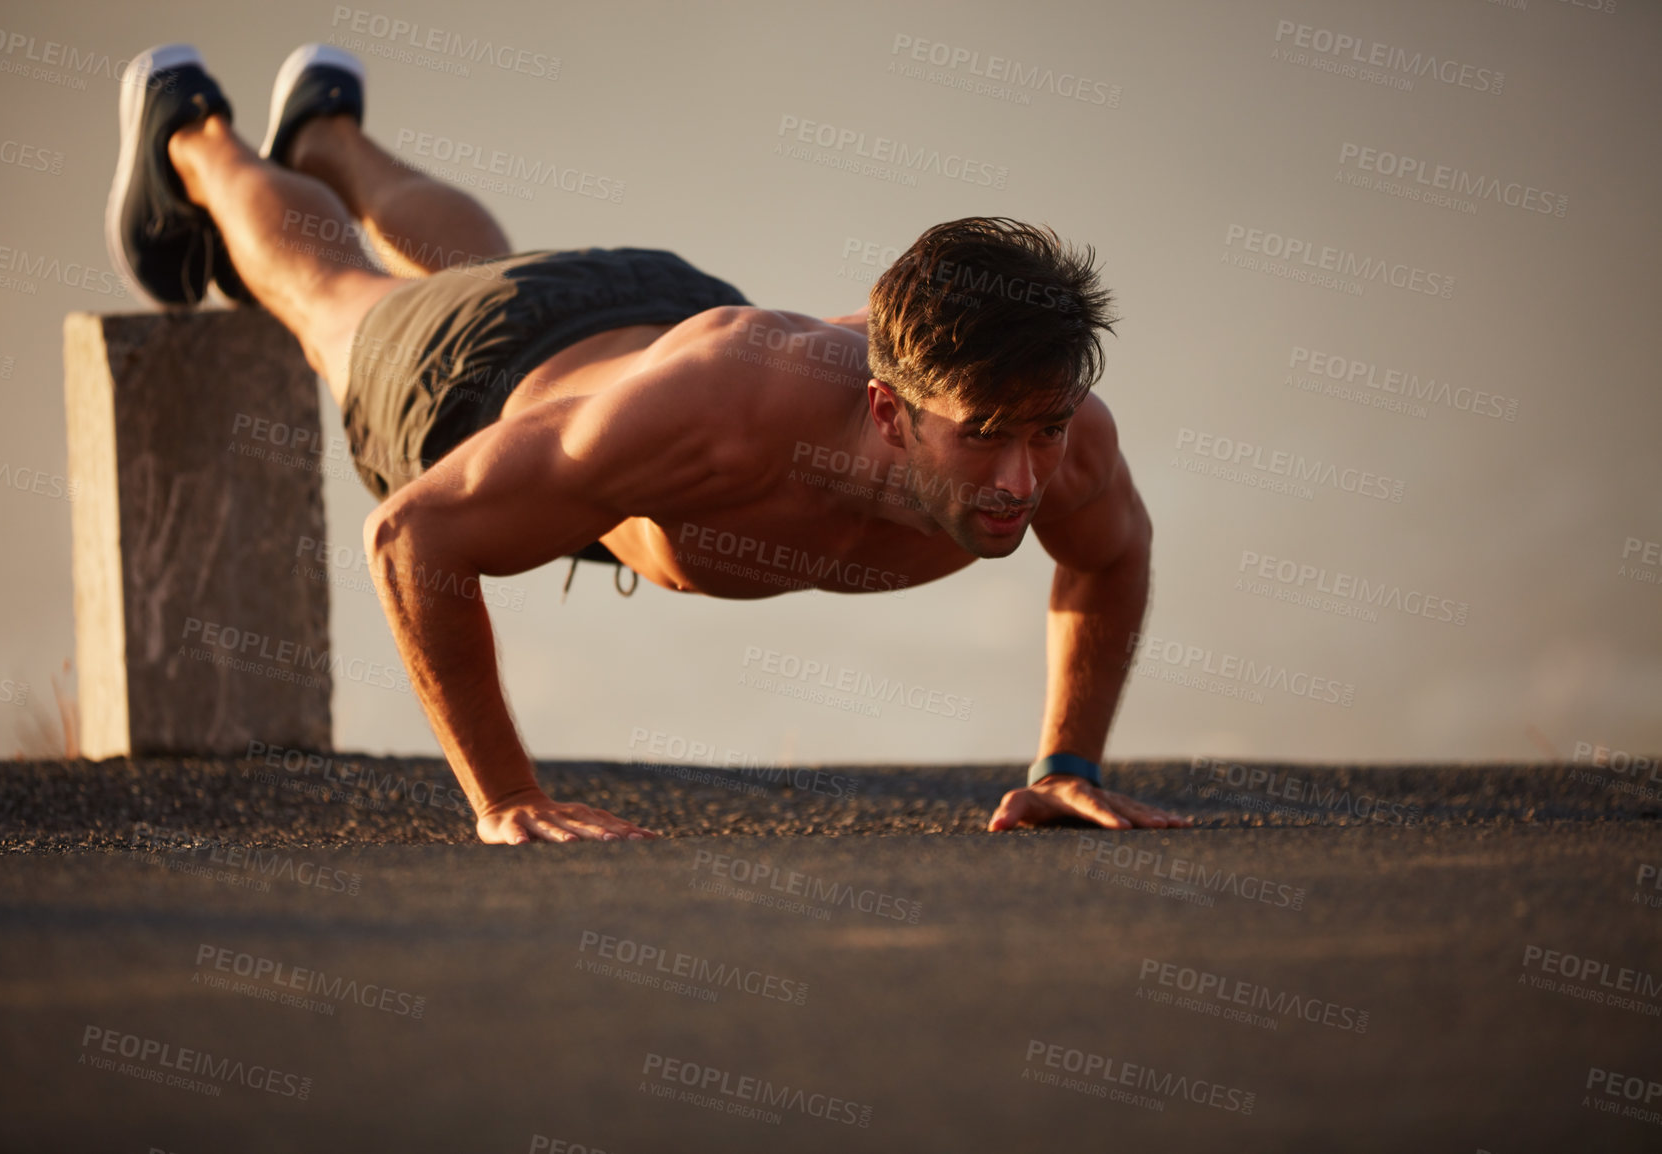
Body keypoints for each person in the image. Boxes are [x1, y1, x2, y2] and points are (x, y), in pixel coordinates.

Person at [108, 43, 1192, 844]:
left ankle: (326, 137)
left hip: (648, 328)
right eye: (986, 438)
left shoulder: (1064, 434)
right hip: (490, 386)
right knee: (329, 295)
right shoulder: (727, 415)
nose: (1023, 478)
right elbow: (412, 535)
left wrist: (1065, 759)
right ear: (889, 411)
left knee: (485, 268)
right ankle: (188, 128)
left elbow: (1109, 553)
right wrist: (506, 797)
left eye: (1044, 432)